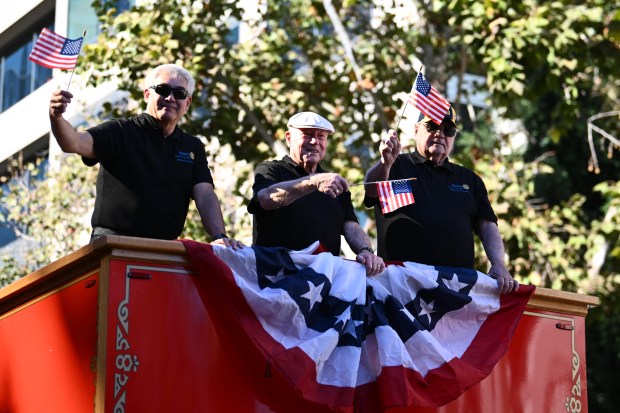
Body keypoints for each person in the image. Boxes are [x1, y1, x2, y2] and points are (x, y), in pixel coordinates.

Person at [49, 63, 242, 248]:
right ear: (147, 94)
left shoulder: (192, 147)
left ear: (188, 102)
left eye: (179, 93)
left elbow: (205, 194)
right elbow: (73, 142)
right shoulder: (119, 131)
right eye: (163, 90)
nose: (171, 98)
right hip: (113, 245)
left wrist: (219, 237)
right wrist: (56, 116)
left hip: (164, 252)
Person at [364, 107, 518, 294]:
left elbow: (487, 225)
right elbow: (371, 190)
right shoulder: (396, 166)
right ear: (416, 130)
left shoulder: (469, 179)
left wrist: (499, 264)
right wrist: (384, 163)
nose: (440, 134)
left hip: (455, 292)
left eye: (448, 130)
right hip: (401, 287)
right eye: (432, 126)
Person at [248, 112, 384, 276]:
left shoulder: (332, 182)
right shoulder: (270, 169)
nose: (315, 141)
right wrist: (314, 182)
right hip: (275, 277)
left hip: (321, 282)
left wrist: (366, 250)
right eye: (307, 135)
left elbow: (350, 225)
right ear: (289, 138)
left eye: (321, 136)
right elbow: (266, 198)